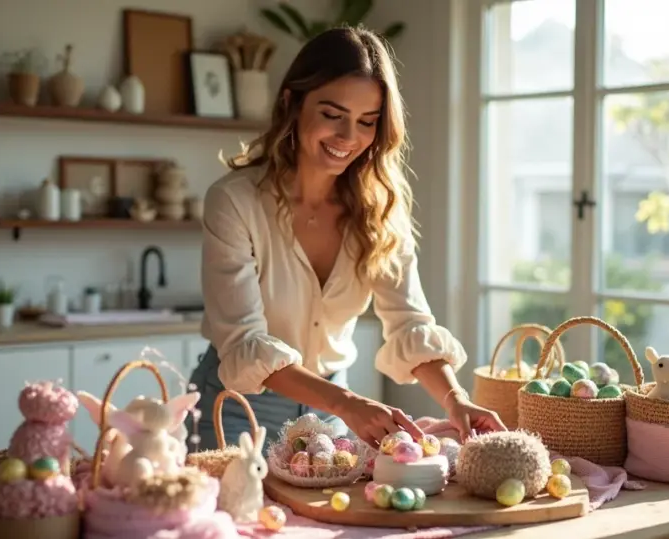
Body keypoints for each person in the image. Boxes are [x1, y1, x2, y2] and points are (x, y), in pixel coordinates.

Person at [188, 25, 506, 453]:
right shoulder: (234, 201)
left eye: (366, 122)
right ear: (292, 103)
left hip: (332, 412)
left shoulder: (380, 211)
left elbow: (409, 322)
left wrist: (457, 400)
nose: (348, 137)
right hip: (238, 408)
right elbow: (245, 343)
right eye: (332, 114)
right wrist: (348, 404)